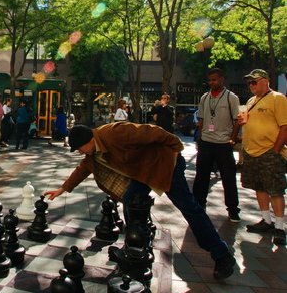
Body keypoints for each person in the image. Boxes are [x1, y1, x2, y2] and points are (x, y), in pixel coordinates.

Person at [44, 122, 237, 279]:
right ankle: (135, 247)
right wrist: (63, 189)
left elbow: (152, 131)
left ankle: (222, 255)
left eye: (80, 148)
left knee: (189, 208)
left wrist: (176, 147)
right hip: (143, 173)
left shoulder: (114, 132)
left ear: (89, 140)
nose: (80, 152)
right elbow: (83, 168)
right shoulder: (93, 151)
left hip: (165, 164)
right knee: (131, 200)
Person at [239, 69, 287, 246]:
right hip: (252, 152)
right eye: (249, 83)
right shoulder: (251, 101)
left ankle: (280, 227)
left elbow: (284, 126)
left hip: (269, 152)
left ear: (265, 81)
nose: (251, 85)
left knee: (275, 189)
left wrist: (275, 150)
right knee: (259, 187)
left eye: (254, 82)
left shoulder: (277, 98)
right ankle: (267, 221)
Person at [192, 68, 241, 223]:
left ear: (222, 79)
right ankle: (199, 205)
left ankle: (233, 209)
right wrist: (199, 139)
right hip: (206, 142)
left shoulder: (231, 98)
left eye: (215, 79)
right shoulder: (204, 97)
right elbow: (201, 120)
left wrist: (232, 139)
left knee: (228, 178)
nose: (212, 82)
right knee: (201, 177)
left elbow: (236, 121)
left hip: (223, 143)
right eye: (210, 80)